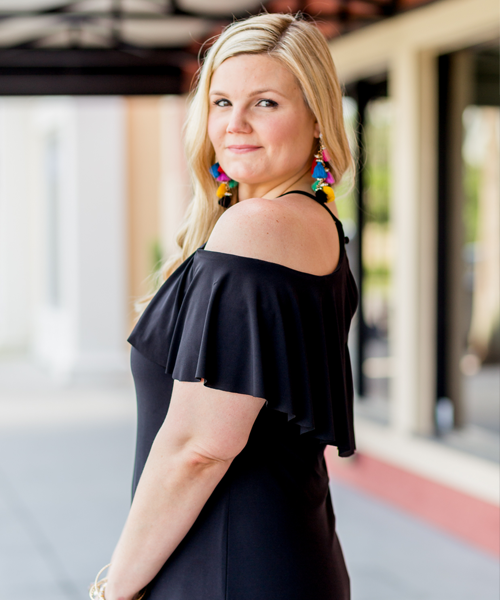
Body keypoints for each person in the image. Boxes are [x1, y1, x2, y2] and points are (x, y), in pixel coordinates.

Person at [101, 11, 358, 600]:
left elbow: (199, 448)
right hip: (277, 556)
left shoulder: (258, 226)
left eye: (265, 102)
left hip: (226, 569)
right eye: (220, 102)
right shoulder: (312, 225)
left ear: (317, 119)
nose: (235, 124)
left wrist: (113, 589)